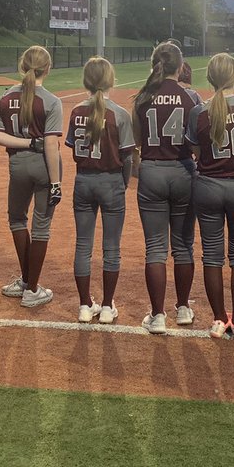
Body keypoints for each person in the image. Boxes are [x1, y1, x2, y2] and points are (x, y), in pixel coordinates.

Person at [186, 52, 234, 341]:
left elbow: (196, 151)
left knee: (212, 256)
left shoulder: (199, 112)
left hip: (208, 186)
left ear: (209, 77)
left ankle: (219, 318)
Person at [133, 41, 202, 334]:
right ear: (181, 66)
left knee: (155, 248)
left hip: (152, 170)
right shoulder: (191, 98)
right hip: (183, 170)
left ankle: (158, 315)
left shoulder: (142, 97)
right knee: (184, 246)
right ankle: (183, 307)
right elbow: (198, 142)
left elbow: (138, 142)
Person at [65, 57, 135, 324]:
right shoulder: (119, 114)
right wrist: (123, 182)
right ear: (110, 81)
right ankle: (107, 306)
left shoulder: (76, 112)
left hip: (83, 180)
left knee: (83, 245)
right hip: (111, 181)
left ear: (86, 81)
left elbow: (73, 146)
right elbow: (127, 157)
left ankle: (85, 305)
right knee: (111, 247)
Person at [0, 46, 62, 309]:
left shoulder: (4, 97)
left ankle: (26, 280)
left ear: (22, 66)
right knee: (41, 226)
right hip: (44, 166)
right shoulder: (51, 101)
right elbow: (51, 145)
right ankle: (32, 289)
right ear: (48, 68)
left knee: (17, 219)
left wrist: (26, 142)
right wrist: (56, 182)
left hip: (17, 165)